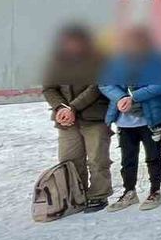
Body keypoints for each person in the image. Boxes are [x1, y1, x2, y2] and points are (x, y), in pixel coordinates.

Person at [99, 25, 161, 212]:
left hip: (150, 117)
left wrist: (134, 97)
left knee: (153, 157)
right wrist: (121, 97)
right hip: (124, 120)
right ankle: (129, 191)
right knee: (128, 158)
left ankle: (155, 191)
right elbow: (105, 84)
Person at [42, 23, 112, 212]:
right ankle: (76, 194)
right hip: (66, 119)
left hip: (94, 116)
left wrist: (72, 107)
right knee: (70, 159)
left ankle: (98, 194)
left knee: (97, 158)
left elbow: (96, 87)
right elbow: (49, 88)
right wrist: (61, 108)